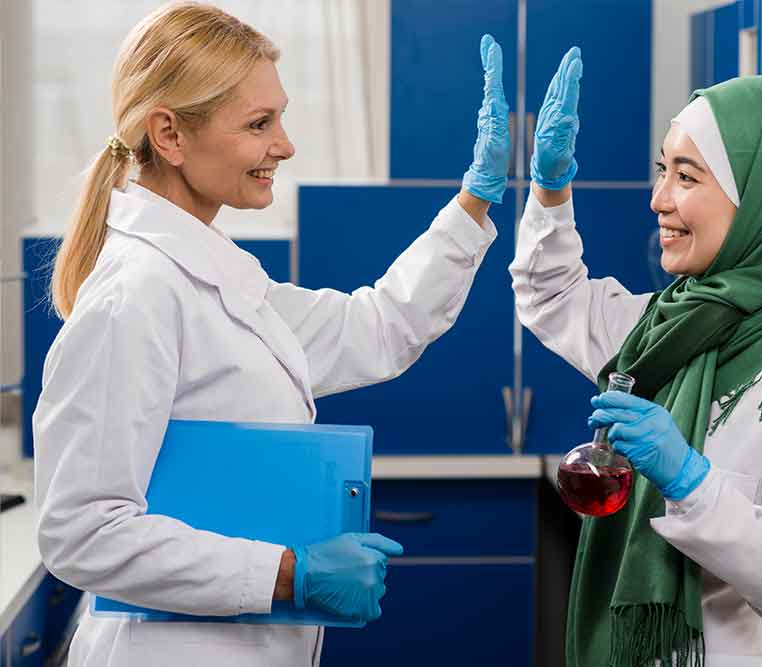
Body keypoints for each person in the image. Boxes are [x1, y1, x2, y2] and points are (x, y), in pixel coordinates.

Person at [32, 3, 511, 666]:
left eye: (279, 117)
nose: (284, 144)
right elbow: (80, 531)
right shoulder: (136, 295)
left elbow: (376, 327)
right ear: (169, 134)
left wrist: (474, 199)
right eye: (260, 124)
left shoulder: (211, 274)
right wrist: (291, 572)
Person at [511, 59, 762, 667]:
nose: (658, 200)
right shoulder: (665, 326)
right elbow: (551, 295)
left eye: (686, 177)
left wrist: (691, 482)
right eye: (663, 171)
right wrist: (551, 189)